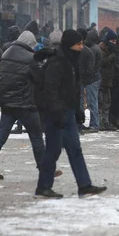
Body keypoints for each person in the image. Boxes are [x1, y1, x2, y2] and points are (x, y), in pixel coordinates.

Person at [35, 30, 107, 199]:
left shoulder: (71, 62)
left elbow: (72, 90)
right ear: (69, 45)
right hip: (56, 114)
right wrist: (56, 113)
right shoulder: (56, 63)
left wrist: (77, 111)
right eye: (78, 44)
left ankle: (85, 186)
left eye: (82, 43)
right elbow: (51, 91)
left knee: (75, 149)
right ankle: (43, 187)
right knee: (52, 151)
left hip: (67, 113)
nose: (82, 47)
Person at [0, 31, 47, 180]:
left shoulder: (6, 53)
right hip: (25, 103)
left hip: (7, 102)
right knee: (36, 136)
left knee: (1, 135)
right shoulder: (31, 58)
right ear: (30, 44)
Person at [99, 30, 118, 130]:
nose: (114, 44)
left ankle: (105, 122)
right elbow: (100, 63)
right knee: (101, 102)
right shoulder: (101, 49)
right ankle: (100, 122)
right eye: (113, 41)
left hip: (108, 80)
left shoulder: (110, 50)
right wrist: (110, 58)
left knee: (107, 102)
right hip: (101, 80)